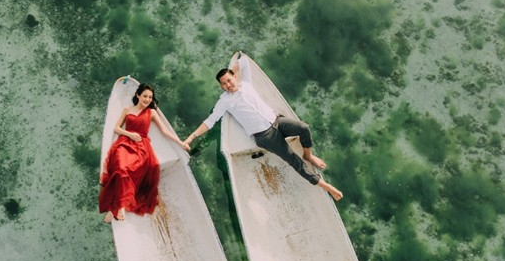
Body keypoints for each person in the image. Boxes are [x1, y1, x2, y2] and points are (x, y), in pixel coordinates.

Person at [183, 52, 343, 201]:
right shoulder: (224, 101)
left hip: (277, 121)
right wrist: (191, 138)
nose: (228, 85)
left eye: (229, 80)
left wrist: (229, 71)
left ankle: (308, 155)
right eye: (224, 84)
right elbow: (210, 121)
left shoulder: (246, 83)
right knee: (293, 159)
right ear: (221, 87)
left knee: (304, 128)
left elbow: (244, 61)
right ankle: (327, 187)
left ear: (235, 76)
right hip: (265, 135)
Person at [99, 83, 190, 222]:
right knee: (120, 168)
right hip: (124, 142)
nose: (147, 100)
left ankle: (118, 207)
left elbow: (165, 131)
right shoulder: (127, 110)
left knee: (130, 170)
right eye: (145, 96)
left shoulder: (151, 112)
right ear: (138, 95)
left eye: (150, 97)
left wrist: (181, 142)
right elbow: (116, 128)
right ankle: (119, 206)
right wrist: (129, 134)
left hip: (141, 146)